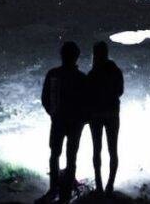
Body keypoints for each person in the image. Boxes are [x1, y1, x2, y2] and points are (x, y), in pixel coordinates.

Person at [40, 41, 88, 202]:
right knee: (71, 156)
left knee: (55, 154)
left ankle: (54, 189)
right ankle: (66, 194)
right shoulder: (82, 78)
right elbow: (88, 102)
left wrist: (52, 113)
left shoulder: (53, 74)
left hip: (59, 120)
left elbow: (45, 98)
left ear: (62, 55)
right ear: (76, 57)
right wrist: (84, 120)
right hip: (75, 122)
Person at [87, 41, 124, 195]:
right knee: (113, 150)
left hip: (95, 115)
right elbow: (120, 91)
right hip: (112, 114)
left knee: (97, 149)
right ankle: (110, 184)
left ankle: (99, 185)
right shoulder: (116, 71)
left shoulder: (92, 73)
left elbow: (86, 95)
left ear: (95, 54)